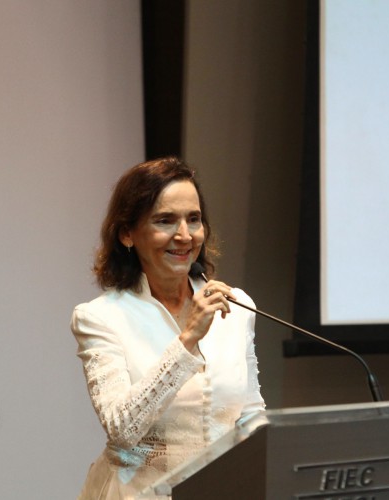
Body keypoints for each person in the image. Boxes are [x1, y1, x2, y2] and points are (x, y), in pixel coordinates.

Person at [70, 157, 265, 499]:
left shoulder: (235, 304)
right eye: (165, 221)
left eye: (194, 219)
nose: (185, 236)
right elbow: (123, 430)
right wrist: (188, 339)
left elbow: (249, 416)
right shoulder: (99, 318)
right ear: (127, 233)